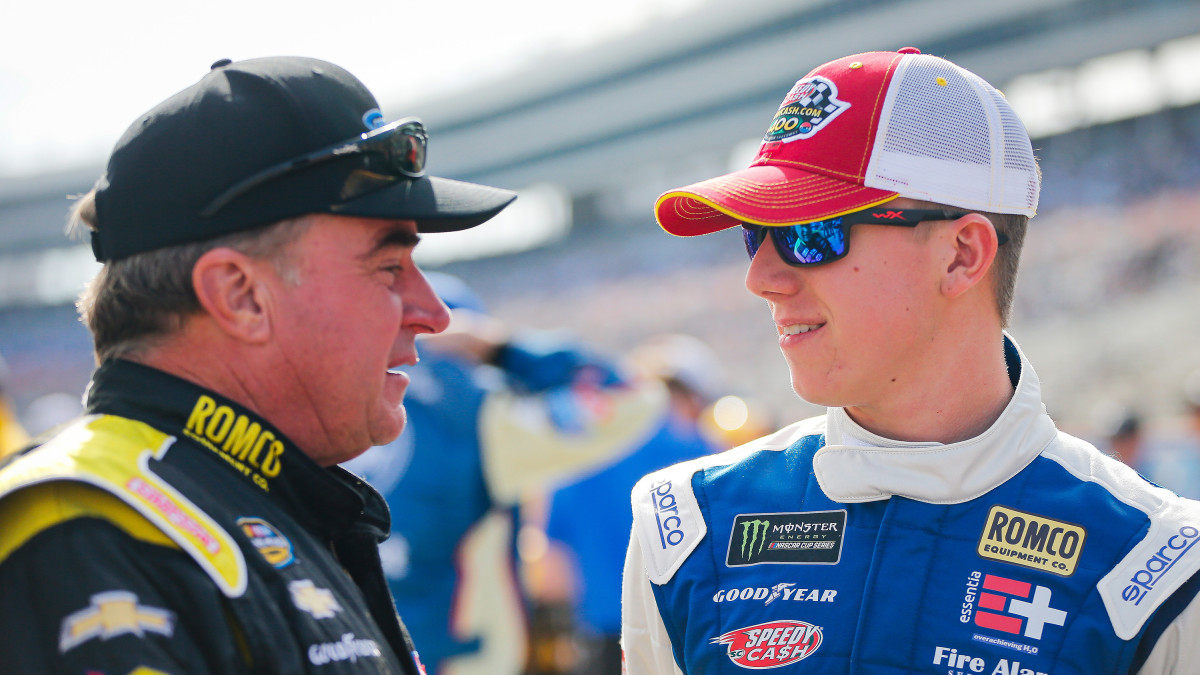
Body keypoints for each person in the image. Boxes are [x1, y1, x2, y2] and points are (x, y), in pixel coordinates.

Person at [622, 48, 1200, 674]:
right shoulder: (684, 527)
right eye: (753, 235)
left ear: (961, 254)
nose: (761, 277)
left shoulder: (1156, 567)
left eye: (810, 235)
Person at [0, 56, 517, 674]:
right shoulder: (83, 527)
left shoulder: (261, 496)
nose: (433, 314)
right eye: (388, 268)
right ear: (241, 296)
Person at [342, 273, 665, 675]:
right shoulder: (479, 411)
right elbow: (634, 398)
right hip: (462, 658)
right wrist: (500, 348)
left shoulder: (322, 392)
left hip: (339, 649)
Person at [541, 334, 724, 675]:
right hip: (693, 637)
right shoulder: (711, 457)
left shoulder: (581, 454)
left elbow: (551, 577)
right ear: (690, 397)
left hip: (604, 643)